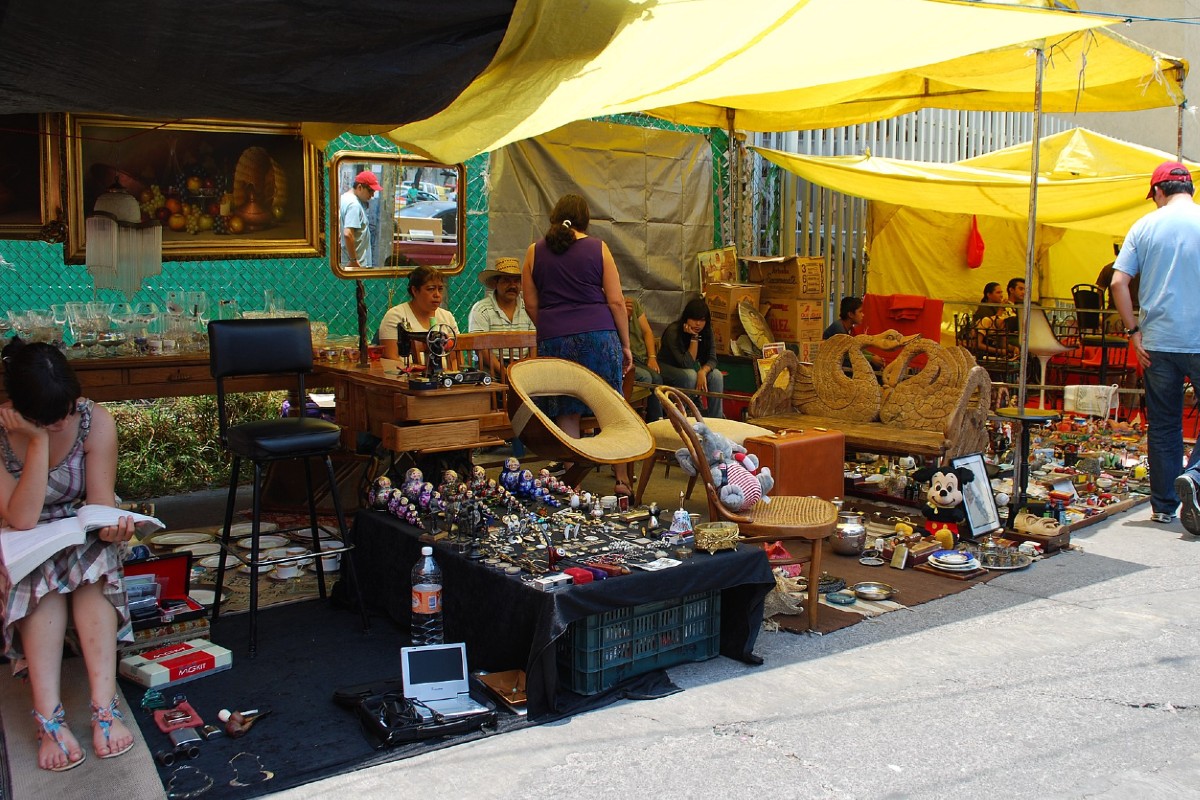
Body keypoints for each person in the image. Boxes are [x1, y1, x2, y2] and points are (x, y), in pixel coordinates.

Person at [0, 339, 137, 772]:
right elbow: (20, 519)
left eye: (66, 412)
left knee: (93, 567)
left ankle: (103, 704)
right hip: (23, 536)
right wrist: (37, 443)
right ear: (17, 409)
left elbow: (97, 504)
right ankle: (50, 716)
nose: (62, 423)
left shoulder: (93, 421)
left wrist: (111, 524)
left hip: (77, 529)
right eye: (48, 419)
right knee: (42, 581)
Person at [520, 193, 634, 497]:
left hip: (555, 339)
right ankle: (621, 478)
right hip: (599, 335)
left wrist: (552, 327)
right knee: (610, 406)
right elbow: (616, 301)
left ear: (554, 216)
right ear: (586, 219)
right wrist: (625, 344)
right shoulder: (599, 248)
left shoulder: (534, 252)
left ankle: (576, 484)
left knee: (567, 410)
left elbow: (531, 304)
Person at [1111, 161, 1200, 532]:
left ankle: (1163, 506)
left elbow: (1118, 283)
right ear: (1190, 189)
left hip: (1157, 341)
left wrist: (1133, 332)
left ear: (1159, 192)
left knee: (1163, 425)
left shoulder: (1144, 226)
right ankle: (1194, 477)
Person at [379, 265, 460, 368]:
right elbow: (390, 358)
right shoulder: (395, 316)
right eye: (430, 289)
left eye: (440, 289)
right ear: (415, 291)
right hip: (405, 379)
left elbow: (455, 357)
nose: (437, 295)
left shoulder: (447, 317)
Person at [468, 256, 535, 377]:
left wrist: (523, 371)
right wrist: (505, 372)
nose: (512, 286)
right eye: (506, 281)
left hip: (523, 366)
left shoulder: (529, 307)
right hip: (491, 368)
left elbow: (534, 346)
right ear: (495, 283)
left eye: (516, 281)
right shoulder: (481, 310)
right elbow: (481, 350)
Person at [659, 298, 725, 419]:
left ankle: (716, 419)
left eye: (702, 320)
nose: (698, 324)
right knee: (690, 375)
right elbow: (687, 363)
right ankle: (680, 416)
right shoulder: (673, 331)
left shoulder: (706, 331)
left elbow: (712, 358)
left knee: (716, 376)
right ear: (686, 318)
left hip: (691, 370)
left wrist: (703, 371)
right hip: (666, 368)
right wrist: (694, 338)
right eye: (694, 319)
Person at [625, 295, 663, 422]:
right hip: (627, 359)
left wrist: (652, 357)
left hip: (642, 357)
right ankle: (652, 421)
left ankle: (657, 420)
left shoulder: (632, 303)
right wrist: (625, 317)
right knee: (649, 378)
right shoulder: (608, 307)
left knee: (656, 376)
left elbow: (647, 332)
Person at [823, 296, 882, 369]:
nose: (863, 315)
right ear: (850, 314)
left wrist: (872, 356)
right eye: (860, 312)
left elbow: (856, 347)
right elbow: (847, 354)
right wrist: (871, 359)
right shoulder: (839, 328)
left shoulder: (850, 329)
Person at [339, 170, 381, 269]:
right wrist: (353, 260)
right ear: (359, 187)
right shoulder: (354, 205)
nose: (372, 195)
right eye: (370, 191)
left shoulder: (344, 198)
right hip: (355, 265)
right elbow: (347, 233)